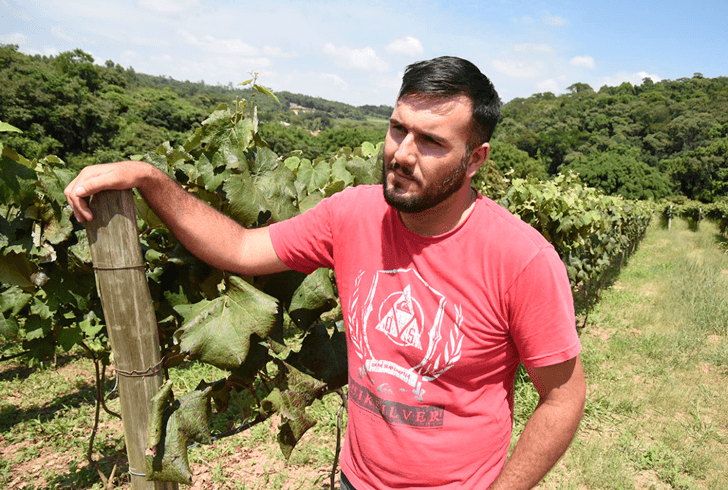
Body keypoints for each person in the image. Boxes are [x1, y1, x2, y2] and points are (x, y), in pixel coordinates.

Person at [65, 56, 585, 490]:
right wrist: (151, 181)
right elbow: (240, 248)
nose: (401, 154)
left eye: (430, 141)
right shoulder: (351, 215)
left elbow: (563, 398)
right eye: (397, 128)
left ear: (475, 161)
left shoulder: (522, 259)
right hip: (353, 480)